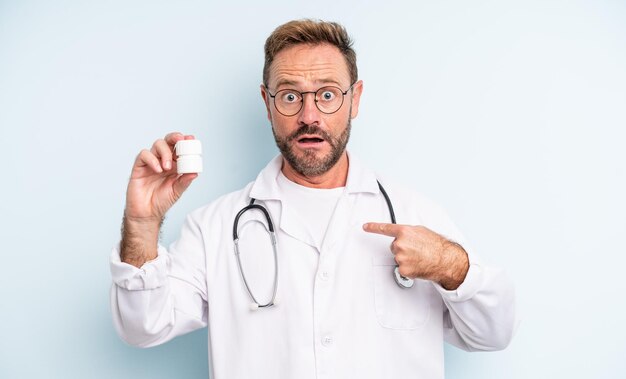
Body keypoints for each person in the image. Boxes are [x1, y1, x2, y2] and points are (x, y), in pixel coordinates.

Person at [110, 19, 516, 379]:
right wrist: (143, 225)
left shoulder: (416, 214)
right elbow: (143, 326)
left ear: (355, 99)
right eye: (290, 96)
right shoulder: (214, 227)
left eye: (327, 95)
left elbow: (492, 333)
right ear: (267, 104)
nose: (309, 115)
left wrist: (449, 265)